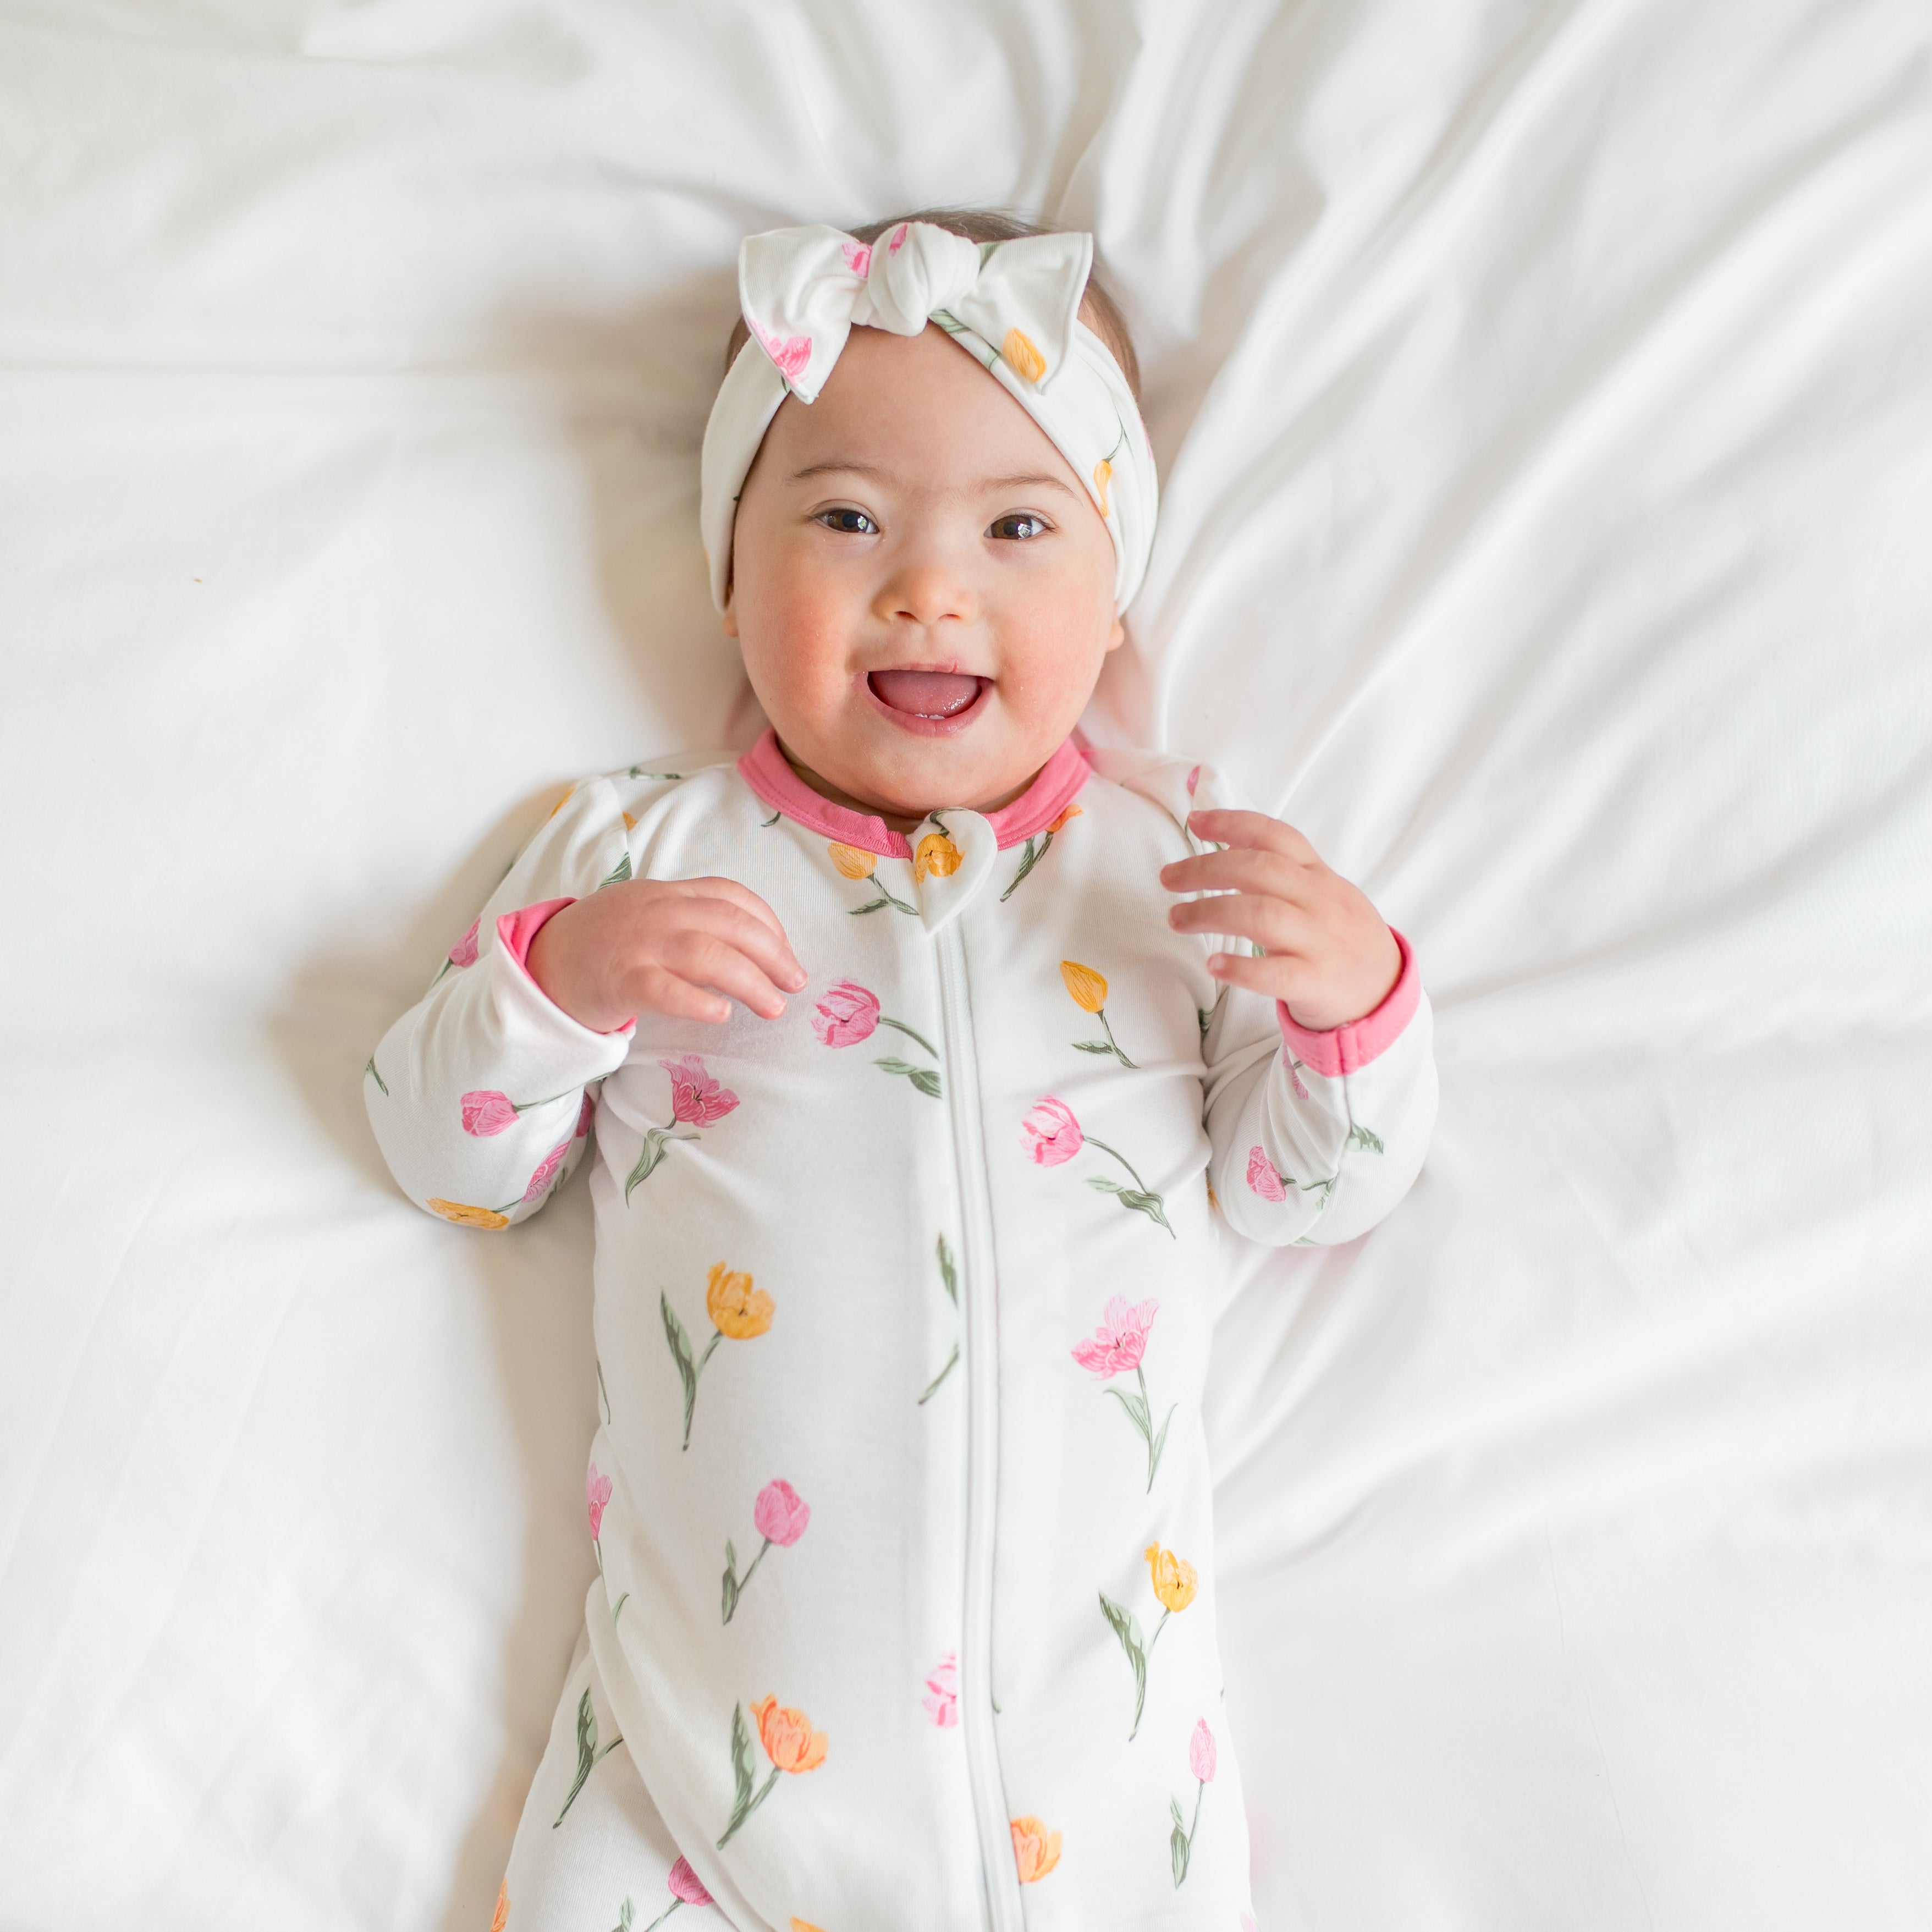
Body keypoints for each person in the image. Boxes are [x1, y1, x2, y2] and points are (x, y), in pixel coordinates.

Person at [366, 208, 1436, 1931]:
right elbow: (445, 1156)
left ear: (1108, 609)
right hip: (694, 1791)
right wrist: (558, 986)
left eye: (1019, 527)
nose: (928, 585)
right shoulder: (639, 852)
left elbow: (1308, 1184)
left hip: (1099, 1818)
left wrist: (1352, 1005)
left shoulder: (1177, 869)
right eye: (845, 517)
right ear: (727, 572)